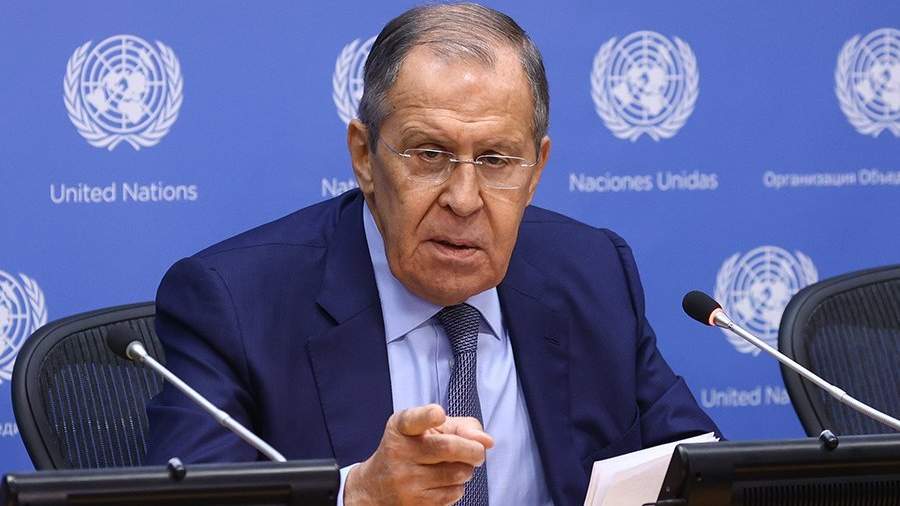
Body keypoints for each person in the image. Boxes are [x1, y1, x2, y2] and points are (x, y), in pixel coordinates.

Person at [145, 3, 719, 505]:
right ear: (364, 156)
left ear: (537, 169)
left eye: (496, 160)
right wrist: (358, 495)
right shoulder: (236, 305)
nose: (463, 199)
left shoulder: (592, 272)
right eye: (429, 154)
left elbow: (699, 471)